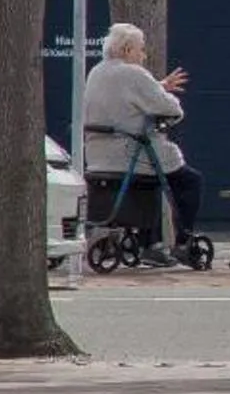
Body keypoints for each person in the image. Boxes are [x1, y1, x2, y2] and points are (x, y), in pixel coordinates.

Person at [82, 24, 204, 264]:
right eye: (141, 49)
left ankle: (151, 242)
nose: (144, 55)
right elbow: (171, 108)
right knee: (189, 181)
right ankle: (183, 240)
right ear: (127, 49)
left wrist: (159, 85)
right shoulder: (134, 74)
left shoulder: (96, 72)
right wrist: (164, 93)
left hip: (99, 157)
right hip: (130, 154)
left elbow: (125, 95)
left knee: (151, 181)